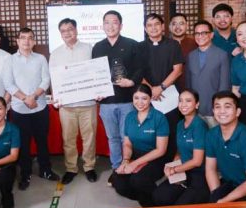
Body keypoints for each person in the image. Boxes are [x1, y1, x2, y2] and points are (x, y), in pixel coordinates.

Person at [3, 27, 58, 189]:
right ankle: (25, 174)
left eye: (30, 38)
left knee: (42, 140)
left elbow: (46, 80)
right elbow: (8, 84)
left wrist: (33, 97)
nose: (26, 41)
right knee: (23, 143)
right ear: (17, 41)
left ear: (34, 41)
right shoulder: (10, 60)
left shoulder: (41, 58)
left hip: (39, 107)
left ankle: (45, 170)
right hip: (19, 109)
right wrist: (25, 99)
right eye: (23, 38)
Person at [92, 10, 143, 175]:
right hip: (106, 102)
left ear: (121, 25)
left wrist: (132, 81)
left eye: (114, 22)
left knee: (126, 136)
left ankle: (127, 166)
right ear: (103, 25)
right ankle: (116, 168)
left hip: (127, 101)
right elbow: (94, 74)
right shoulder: (97, 47)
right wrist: (96, 91)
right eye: (107, 22)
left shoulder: (132, 44)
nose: (110, 26)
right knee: (112, 137)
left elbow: (140, 68)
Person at [49, 18, 98, 184]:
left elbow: (97, 73)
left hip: (88, 103)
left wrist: (98, 90)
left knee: (89, 137)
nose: (67, 33)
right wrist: (55, 96)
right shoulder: (56, 54)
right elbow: (54, 79)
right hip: (67, 105)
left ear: (76, 30)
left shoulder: (89, 49)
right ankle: (71, 168)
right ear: (60, 34)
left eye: (70, 29)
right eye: (63, 31)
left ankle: (89, 167)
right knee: (68, 138)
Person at [111, 84, 169, 207]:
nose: (140, 102)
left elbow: (161, 150)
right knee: (118, 182)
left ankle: (153, 204)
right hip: (136, 154)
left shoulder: (159, 118)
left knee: (138, 180)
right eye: (136, 98)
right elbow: (127, 143)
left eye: (144, 98)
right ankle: (145, 195)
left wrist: (135, 164)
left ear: (150, 99)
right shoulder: (130, 117)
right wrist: (126, 161)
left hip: (155, 158)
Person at [152, 89, 209, 206]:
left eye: (188, 101)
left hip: (199, 174)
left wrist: (175, 170)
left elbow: (197, 161)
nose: (183, 104)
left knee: (180, 206)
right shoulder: (180, 124)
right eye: (181, 101)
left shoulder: (200, 125)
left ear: (197, 104)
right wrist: (172, 166)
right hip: (183, 171)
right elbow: (179, 151)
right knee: (158, 196)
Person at [139, 13, 184, 159]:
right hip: (149, 97)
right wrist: (151, 90)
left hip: (170, 96)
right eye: (149, 25)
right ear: (145, 28)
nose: (153, 28)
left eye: (156, 24)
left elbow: (178, 70)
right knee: (151, 131)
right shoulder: (139, 47)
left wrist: (161, 88)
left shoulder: (173, 45)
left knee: (171, 129)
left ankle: (171, 162)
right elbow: (138, 72)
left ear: (163, 26)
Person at [204, 91, 246, 203]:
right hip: (229, 184)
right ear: (213, 111)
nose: (222, 111)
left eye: (227, 107)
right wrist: (216, 194)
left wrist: (224, 201)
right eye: (217, 107)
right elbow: (210, 169)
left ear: (237, 112)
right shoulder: (211, 135)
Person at [185, 20, 231, 122]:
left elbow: (224, 85)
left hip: (214, 111)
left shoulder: (222, 55)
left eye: (204, 33)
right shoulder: (191, 56)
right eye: (197, 33)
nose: (200, 36)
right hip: (195, 110)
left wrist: (219, 108)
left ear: (211, 35)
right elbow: (188, 84)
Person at [169, 13, 197, 90]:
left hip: (191, 87)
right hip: (169, 88)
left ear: (187, 26)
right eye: (174, 24)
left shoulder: (195, 43)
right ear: (170, 26)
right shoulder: (165, 44)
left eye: (181, 24)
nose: (177, 27)